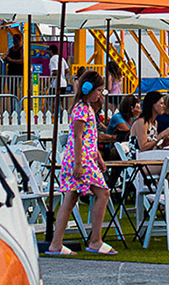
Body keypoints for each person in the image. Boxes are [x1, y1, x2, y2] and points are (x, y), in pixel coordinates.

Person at [46, 70, 115, 255]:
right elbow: (77, 136)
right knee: (103, 193)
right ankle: (95, 240)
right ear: (87, 89)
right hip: (80, 159)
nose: (100, 94)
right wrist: (78, 164)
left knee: (71, 198)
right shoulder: (81, 110)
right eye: (98, 90)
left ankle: (56, 244)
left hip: (84, 157)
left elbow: (90, 136)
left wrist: (98, 156)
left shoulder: (87, 109)